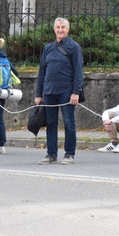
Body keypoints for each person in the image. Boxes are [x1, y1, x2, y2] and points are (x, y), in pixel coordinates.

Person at [35, 17, 84, 165]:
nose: (60, 30)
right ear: (54, 29)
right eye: (58, 27)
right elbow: (42, 72)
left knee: (69, 123)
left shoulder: (74, 47)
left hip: (66, 92)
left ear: (68, 29)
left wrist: (76, 92)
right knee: (50, 123)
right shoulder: (48, 48)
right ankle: (51, 154)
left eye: (63, 27)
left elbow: (78, 72)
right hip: (49, 91)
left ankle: (69, 154)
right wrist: (38, 94)